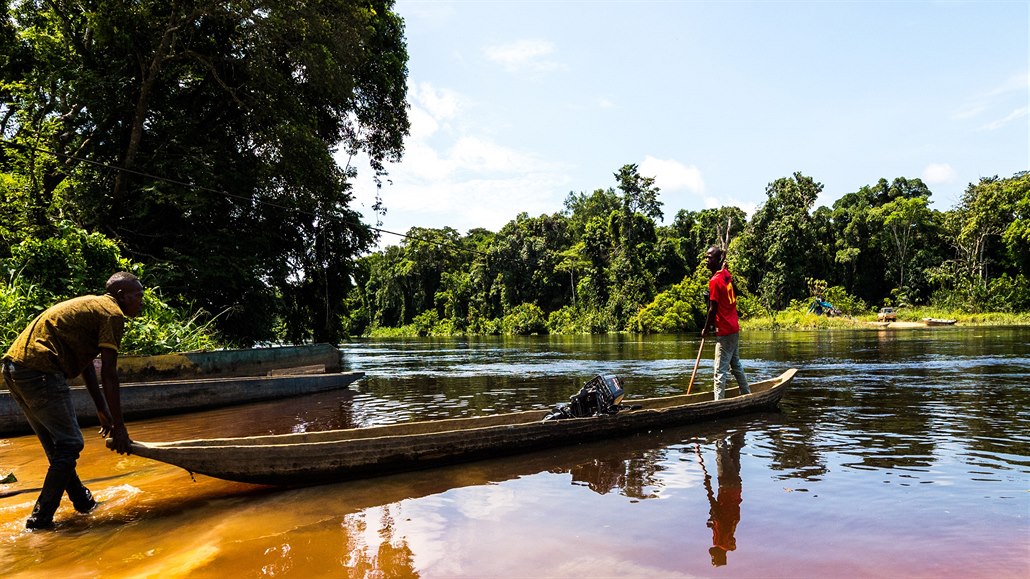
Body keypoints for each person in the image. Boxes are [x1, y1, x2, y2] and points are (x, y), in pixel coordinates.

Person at [2, 271, 143, 530]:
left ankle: (82, 502)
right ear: (122, 295)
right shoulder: (113, 314)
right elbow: (109, 375)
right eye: (138, 295)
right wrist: (120, 428)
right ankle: (39, 520)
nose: (141, 301)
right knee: (70, 443)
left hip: (15, 369)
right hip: (41, 370)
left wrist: (102, 410)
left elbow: (88, 364)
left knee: (58, 449)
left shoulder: (94, 305)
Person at [701, 245, 750, 400]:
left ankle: (718, 403)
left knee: (719, 370)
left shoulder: (715, 280)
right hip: (733, 327)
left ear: (718, 259)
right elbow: (725, 277)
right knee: (735, 365)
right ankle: (747, 394)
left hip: (725, 330)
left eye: (710, 257)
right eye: (706, 257)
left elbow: (712, 309)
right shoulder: (725, 274)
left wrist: (706, 329)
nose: (707, 260)